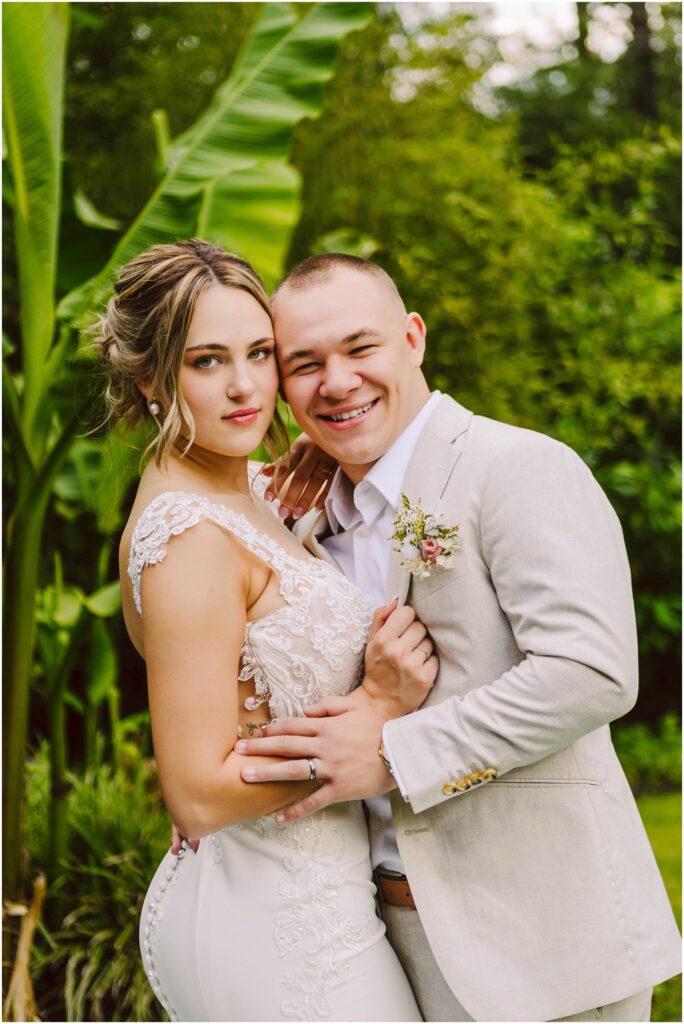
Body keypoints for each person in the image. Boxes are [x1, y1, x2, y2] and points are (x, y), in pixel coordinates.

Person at [235, 253, 682, 1023]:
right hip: (375, 940)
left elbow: (591, 673)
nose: (335, 381)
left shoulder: (517, 468)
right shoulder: (302, 512)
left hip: (542, 938)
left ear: (413, 337)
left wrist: (392, 754)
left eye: (359, 348)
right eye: (303, 364)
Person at [100, 240, 438, 1022]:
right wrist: (380, 724)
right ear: (152, 379)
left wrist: (325, 454)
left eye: (259, 353)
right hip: (271, 920)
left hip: (323, 899)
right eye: (207, 361)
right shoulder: (186, 534)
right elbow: (197, 795)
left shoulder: (252, 487)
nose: (247, 385)